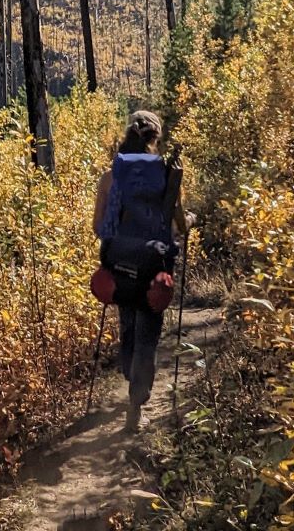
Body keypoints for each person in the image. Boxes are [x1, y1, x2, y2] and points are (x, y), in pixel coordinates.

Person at [93, 110, 192, 432]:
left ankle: (129, 376)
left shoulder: (111, 177)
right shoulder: (166, 175)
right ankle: (137, 403)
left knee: (128, 325)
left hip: (119, 263)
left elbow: (98, 227)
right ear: (156, 139)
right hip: (154, 267)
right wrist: (188, 222)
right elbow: (178, 224)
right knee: (147, 335)